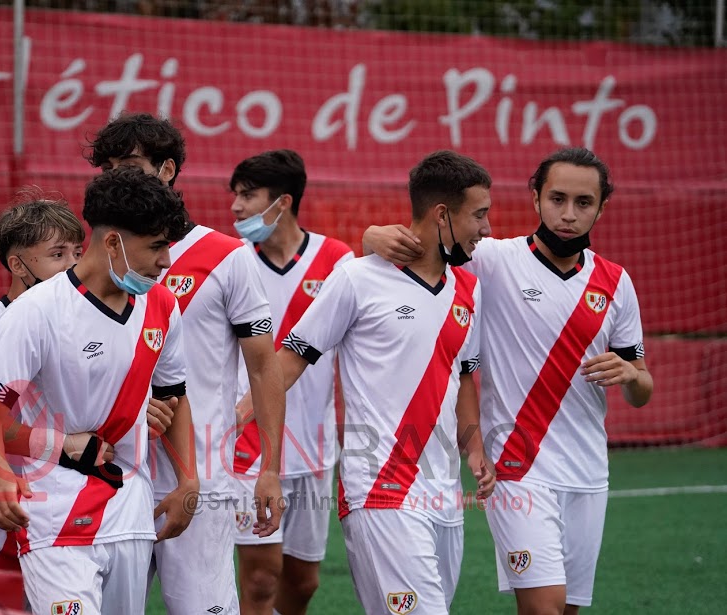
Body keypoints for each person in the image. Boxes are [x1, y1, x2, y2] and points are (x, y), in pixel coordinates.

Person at [363, 147, 653, 614]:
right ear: (536, 199)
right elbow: (417, 245)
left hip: (588, 472)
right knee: (544, 606)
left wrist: (631, 376)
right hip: (516, 466)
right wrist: (370, 234)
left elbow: (642, 388)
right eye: (557, 198)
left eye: (583, 203)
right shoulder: (491, 258)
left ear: (602, 208)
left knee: (565, 609)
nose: (568, 214)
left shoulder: (616, 283)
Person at [237, 150, 497, 615]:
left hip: (444, 492)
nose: (487, 228)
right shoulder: (357, 277)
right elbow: (292, 357)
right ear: (442, 215)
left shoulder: (469, 289)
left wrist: (473, 447)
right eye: (479, 215)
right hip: (379, 487)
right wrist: (244, 413)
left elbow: (463, 374)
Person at [0, 167, 199, 613]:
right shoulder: (36, 312)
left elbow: (175, 395)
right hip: (52, 518)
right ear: (112, 242)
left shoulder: (163, 305)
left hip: (130, 514)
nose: (166, 261)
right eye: (156, 246)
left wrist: (188, 478)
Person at [88, 112, 286, 615]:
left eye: (130, 164)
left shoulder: (226, 256)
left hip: (198, 474)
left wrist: (270, 469)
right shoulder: (94, 258)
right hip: (111, 472)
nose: (118, 176)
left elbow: (264, 369)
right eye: (108, 167)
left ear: (169, 169)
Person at [0, 192, 105, 570]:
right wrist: (63, 446)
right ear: (17, 265)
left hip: (56, 511)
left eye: (78, 253)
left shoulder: (81, 324)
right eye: (57, 255)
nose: (73, 265)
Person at [228, 149, 352, 615]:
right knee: (261, 579)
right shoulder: (232, 261)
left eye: (247, 195)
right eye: (234, 195)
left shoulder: (339, 260)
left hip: (315, 447)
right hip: (249, 446)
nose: (236, 207)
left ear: (282, 201)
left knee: (303, 582)